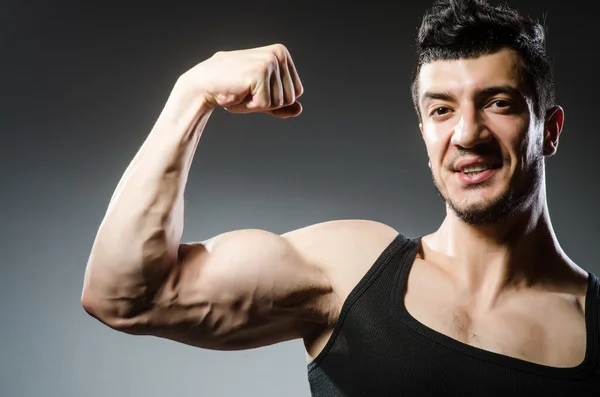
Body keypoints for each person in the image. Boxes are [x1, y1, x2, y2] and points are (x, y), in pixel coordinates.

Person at [81, 0, 600, 395]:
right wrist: (190, 95)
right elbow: (125, 296)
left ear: (548, 131)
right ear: (424, 133)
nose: (467, 133)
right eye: (442, 110)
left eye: (498, 103)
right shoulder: (352, 272)